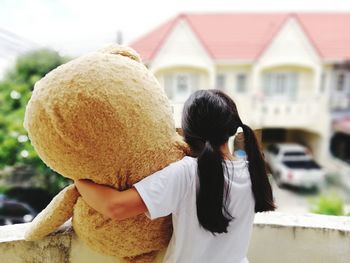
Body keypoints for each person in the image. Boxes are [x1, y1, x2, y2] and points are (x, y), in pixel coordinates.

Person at [75, 89, 276, 263]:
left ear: (187, 131)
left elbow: (115, 206)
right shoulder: (252, 172)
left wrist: (78, 179)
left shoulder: (187, 172)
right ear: (231, 129)